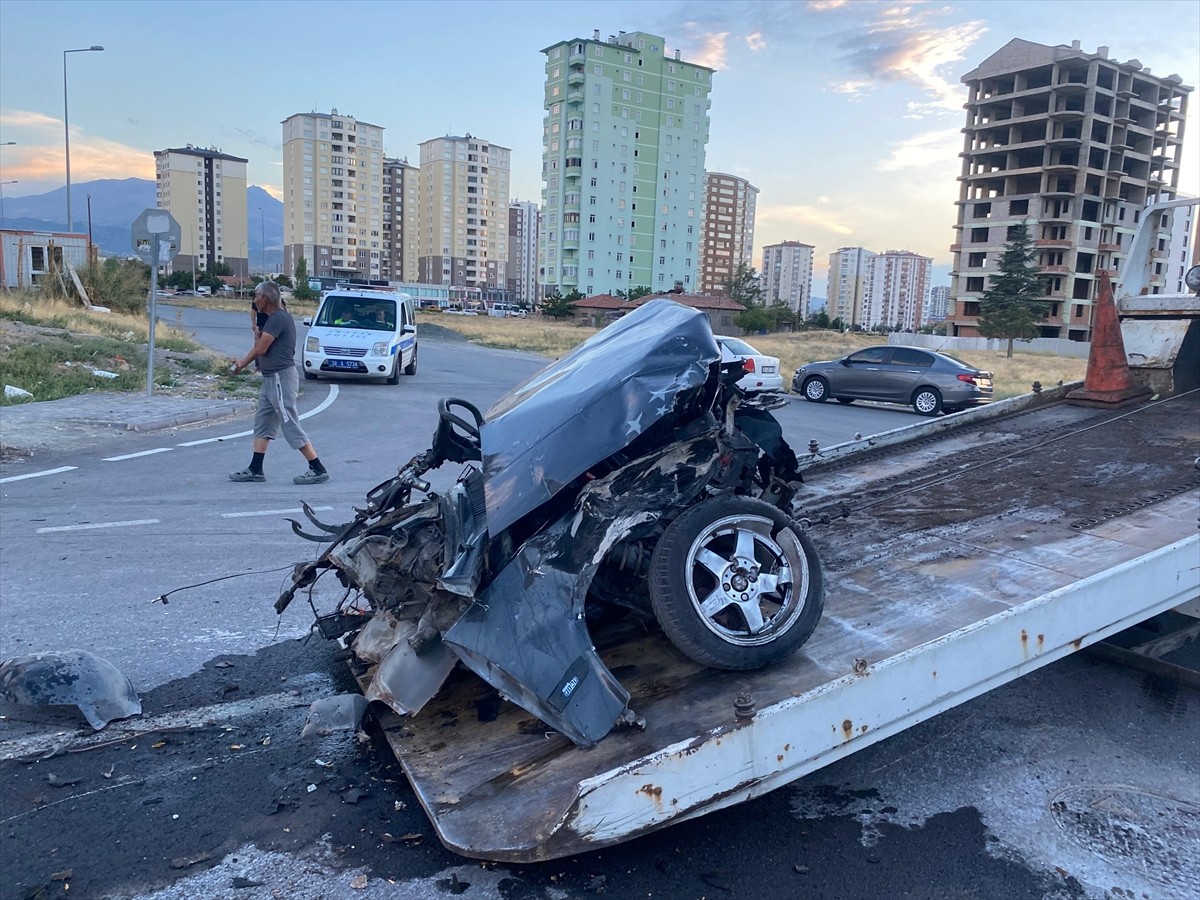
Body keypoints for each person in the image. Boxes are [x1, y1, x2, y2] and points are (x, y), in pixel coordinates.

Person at [228, 281, 329, 485]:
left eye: (256, 296)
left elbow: (262, 348)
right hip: (270, 379)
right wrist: (257, 331)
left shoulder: (278, 318)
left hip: (280, 379)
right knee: (263, 422)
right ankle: (255, 468)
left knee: (289, 421)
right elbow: (260, 346)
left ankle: (317, 467)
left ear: (265, 298)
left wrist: (241, 363)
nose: (254, 300)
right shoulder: (274, 318)